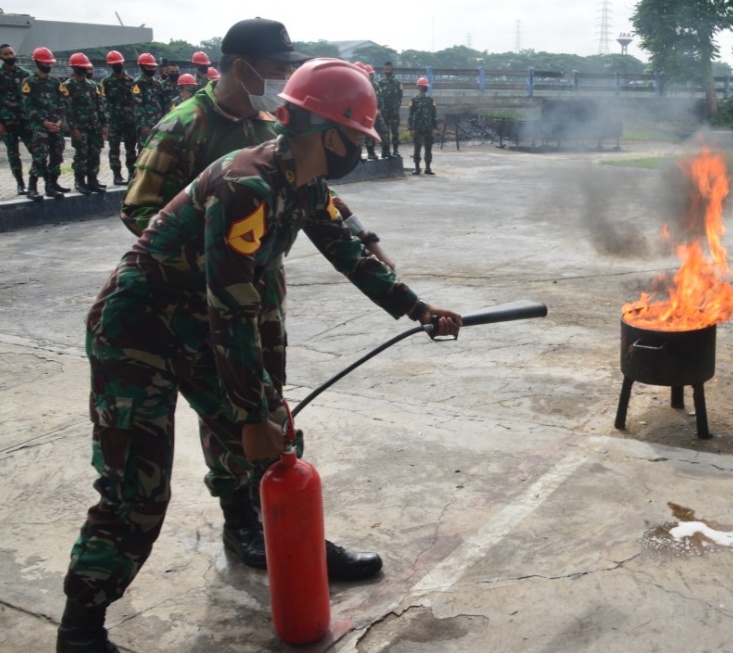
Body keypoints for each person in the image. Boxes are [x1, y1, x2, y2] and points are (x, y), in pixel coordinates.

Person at [55, 57, 462, 653]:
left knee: (280, 447)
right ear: (328, 133)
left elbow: (348, 249)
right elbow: (233, 306)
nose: (362, 150)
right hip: (136, 334)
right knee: (137, 490)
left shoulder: (303, 181)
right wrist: (247, 415)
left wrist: (417, 309)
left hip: (196, 324)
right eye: (358, 137)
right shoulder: (246, 184)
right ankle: (81, 628)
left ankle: (294, 546)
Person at [121, 17, 394, 580]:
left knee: (268, 406)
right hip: (199, 301)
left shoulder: (276, 121)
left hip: (260, 295)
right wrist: (211, 262)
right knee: (233, 412)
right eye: (276, 68)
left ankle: (288, 524)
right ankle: (241, 518)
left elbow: (317, 191)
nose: (284, 77)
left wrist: (363, 236)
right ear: (242, 66)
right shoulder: (184, 126)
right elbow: (139, 209)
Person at [22, 46, 70, 199]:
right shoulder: (29, 82)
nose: (48, 66)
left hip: (56, 125)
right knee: (40, 156)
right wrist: (44, 122)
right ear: (37, 62)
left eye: (50, 63)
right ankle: (32, 187)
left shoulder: (55, 82)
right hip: (39, 126)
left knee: (57, 154)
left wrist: (59, 121)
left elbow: (62, 103)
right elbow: (27, 106)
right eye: (45, 63)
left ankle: (52, 185)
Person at [64, 53, 108, 194]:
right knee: (81, 155)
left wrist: (104, 126)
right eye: (80, 67)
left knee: (95, 153)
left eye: (85, 67)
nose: (84, 69)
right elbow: (68, 109)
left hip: (94, 126)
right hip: (80, 127)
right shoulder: (67, 86)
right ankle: (80, 181)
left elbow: (100, 107)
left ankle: (93, 180)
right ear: (74, 67)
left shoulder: (93, 85)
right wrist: (73, 128)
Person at [0, 43, 33, 196]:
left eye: (11, 53)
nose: (9, 56)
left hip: (25, 119)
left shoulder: (25, 74)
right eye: (6, 54)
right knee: (14, 154)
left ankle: (40, 180)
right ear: (1, 57)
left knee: (36, 151)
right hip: (7, 122)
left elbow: (33, 97)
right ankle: (20, 184)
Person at [101, 50, 137, 185]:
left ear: (123, 63)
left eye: (119, 63)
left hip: (130, 121)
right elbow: (104, 102)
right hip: (114, 122)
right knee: (114, 149)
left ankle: (132, 174)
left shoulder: (131, 82)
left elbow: (135, 101)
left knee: (131, 149)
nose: (117, 66)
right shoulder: (106, 82)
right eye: (114, 64)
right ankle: (117, 175)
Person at [131, 53, 167, 149]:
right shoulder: (138, 83)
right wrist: (142, 125)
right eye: (149, 67)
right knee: (144, 151)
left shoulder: (157, 84)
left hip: (158, 123)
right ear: (142, 67)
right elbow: (137, 105)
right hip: (146, 125)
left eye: (153, 67)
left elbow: (162, 103)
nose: (152, 69)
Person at [408, 76, 437, 175]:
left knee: (428, 148)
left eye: (426, 86)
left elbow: (434, 115)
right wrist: (411, 128)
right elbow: (411, 115)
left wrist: (434, 128)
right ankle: (417, 168)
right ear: (419, 87)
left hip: (428, 127)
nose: (425, 88)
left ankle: (428, 168)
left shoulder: (430, 100)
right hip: (417, 128)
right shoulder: (414, 100)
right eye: (423, 86)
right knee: (417, 148)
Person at [356, 62, 383, 160]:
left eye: (372, 74)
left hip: (370, 112)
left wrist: (378, 109)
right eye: (369, 74)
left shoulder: (373, 85)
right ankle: (357, 155)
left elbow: (378, 99)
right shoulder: (357, 84)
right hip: (358, 113)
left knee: (370, 133)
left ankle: (371, 152)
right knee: (357, 135)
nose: (371, 76)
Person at [378, 61, 402, 157]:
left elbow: (400, 96)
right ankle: (386, 151)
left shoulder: (397, 83)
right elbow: (379, 97)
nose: (386, 71)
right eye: (385, 69)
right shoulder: (380, 83)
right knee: (384, 132)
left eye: (388, 69)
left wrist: (396, 107)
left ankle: (395, 150)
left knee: (395, 131)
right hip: (384, 112)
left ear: (392, 70)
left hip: (394, 112)